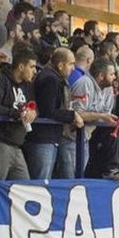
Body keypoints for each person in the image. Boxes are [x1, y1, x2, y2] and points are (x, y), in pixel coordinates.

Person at [24, 48, 84, 179]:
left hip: (49, 137)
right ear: (61, 65)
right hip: (43, 138)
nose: (73, 68)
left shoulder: (53, 77)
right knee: (41, 182)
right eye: (71, 64)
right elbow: (48, 111)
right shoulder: (50, 79)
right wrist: (72, 115)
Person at [0, 45, 38, 180]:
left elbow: (33, 106)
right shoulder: (0, 80)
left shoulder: (28, 85)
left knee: (24, 186)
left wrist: (33, 112)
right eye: (32, 67)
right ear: (21, 67)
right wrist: (16, 114)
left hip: (18, 144)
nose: (35, 71)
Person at [70, 57, 119, 179]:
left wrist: (106, 117)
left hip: (88, 136)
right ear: (101, 76)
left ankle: (110, 168)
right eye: (111, 74)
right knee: (72, 177)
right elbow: (76, 114)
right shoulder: (84, 83)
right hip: (71, 138)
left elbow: (105, 115)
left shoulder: (109, 89)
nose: (115, 77)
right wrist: (102, 116)